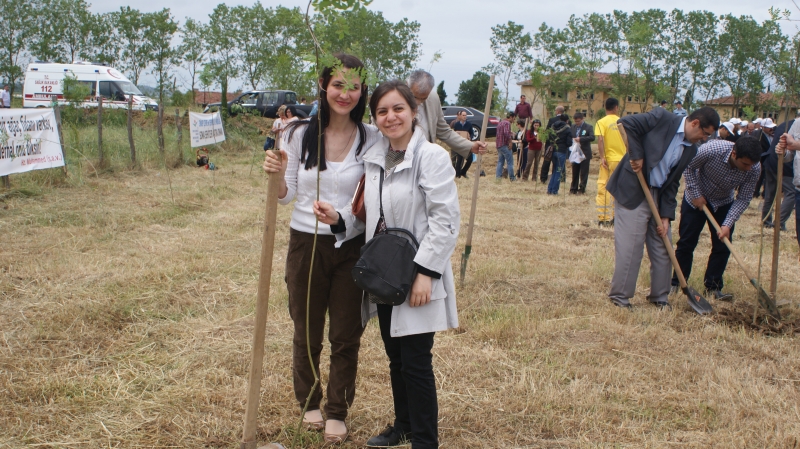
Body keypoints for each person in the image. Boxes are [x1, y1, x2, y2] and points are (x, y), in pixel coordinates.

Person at [313, 79, 460, 449]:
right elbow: (371, 215)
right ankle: (404, 426)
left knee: (415, 361)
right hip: (386, 274)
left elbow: (445, 222)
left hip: (416, 274)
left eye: (398, 109)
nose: (391, 117)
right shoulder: (377, 157)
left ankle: (425, 440)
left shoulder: (431, 157)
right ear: (375, 118)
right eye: (382, 111)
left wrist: (426, 273)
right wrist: (340, 218)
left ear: (413, 111)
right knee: (395, 357)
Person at [262, 54, 382, 444]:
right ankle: (309, 400)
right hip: (306, 244)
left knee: (347, 332)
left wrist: (342, 216)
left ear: (362, 91)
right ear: (323, 84)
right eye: (338, 84)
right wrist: (277, 176)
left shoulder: (371, 137)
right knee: (307, 329)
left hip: (352, 245)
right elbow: (286, 195)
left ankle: (338, 409)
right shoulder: (298, 134)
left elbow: (375, 197)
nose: (345, 94)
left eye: (354, 86)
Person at [607, 106, 719, 310]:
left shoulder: (691, 149)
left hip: (658, 195)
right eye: (705, 133)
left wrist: (666, 216)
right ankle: (620, 297)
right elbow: (626, 123)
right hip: (634, 189)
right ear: (695, 124)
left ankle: (660, 297)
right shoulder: (661, 118)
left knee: (664, 246)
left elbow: (673, 183)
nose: (704, 139)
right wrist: (637, 155)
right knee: (631, 246)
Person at [670, 137, 761, 302]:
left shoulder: (754, 168)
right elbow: (689, 167)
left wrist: (727, 223)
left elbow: (744, 198)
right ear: (734, 154)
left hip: (723, 202)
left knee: (722, 245)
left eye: (751, 165)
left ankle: (713, 286)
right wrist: (696, 195)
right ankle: (677, 283)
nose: (748, 169)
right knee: (686, 242)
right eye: (745, 164)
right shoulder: (712, 150)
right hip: (695, 200)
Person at [407, 70, 487, 161]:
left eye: (423, 98)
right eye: (414, 97)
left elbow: (444, 131)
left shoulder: (433, 98)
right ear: (407, 85)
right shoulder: (394, 98)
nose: (418, 102)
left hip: (425, 162)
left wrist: (471, 146)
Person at [758, 118, 795, 230]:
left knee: (770, 193)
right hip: (784, 163)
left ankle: (766, 220)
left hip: (771, 161)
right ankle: (779, 222)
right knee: (791, 193)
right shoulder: (795, 126)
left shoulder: (785, 123)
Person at [595, 98, 625, 227]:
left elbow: (600, 140)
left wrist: (602, 157)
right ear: (616, 107)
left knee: (604, 187)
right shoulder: (623, 122)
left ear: (605, 107)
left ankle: (604, 218)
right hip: (623, 160)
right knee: (620, 189)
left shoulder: (601, 122)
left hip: (609, 160)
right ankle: (617, 217)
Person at [775, 118, 800, 257]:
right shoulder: (798, 124)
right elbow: (789, 153)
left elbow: (794, 145)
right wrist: (783, 151)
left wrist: (795, 144)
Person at [569, 112, 595, 194]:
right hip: (575, 152)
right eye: (576, 121)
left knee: (584, 172)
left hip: (585, 152)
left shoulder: (588, 127)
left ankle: (582, 189)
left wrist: (581, 139)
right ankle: (573, 188)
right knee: (575, 171)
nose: (577, 123)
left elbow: (592, 137)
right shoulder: (572, 127)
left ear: (582, 119)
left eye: (578, 121)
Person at [546, 113, 572, 195]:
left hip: (553, 151)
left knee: (554, 171)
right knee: (558, 171)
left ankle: (550, 189)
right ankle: (554, 191)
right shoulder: (567, 129)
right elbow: (569, 143)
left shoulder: (553, 127)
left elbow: (549, 138)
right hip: (562, 151)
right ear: (567, 120)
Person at [540, 105, 565, 183]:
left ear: (557, 111)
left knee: (547, 161)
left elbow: (548, 132)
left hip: (551, 144)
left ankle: (543, 178)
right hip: (561, 145)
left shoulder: (552, 120)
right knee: (560, 163)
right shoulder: (567, 121)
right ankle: (561, 178)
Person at [450, 109, 474, 178]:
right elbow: (453, 133)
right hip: (459, 144)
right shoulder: (456, 124)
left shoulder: (469, 124)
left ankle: (463, 171)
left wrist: (470, 137)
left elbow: (472, 133)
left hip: (466, 144)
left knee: (470, 159)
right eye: (463, 115)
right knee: (459, 160)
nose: (464, 116)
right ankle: (457, 175)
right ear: (460, 116)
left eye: (465, 115)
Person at [495, 112, 515, 182]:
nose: (514, 121)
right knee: (510, 162)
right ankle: (512, 178)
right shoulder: (507, 123)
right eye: (514, 119)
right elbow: (506, 133)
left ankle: (498, 177)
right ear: (511, 117)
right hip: (504, 145)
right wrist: (510, 141)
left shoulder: (501, 123)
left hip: (498, 145)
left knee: (500, 161)